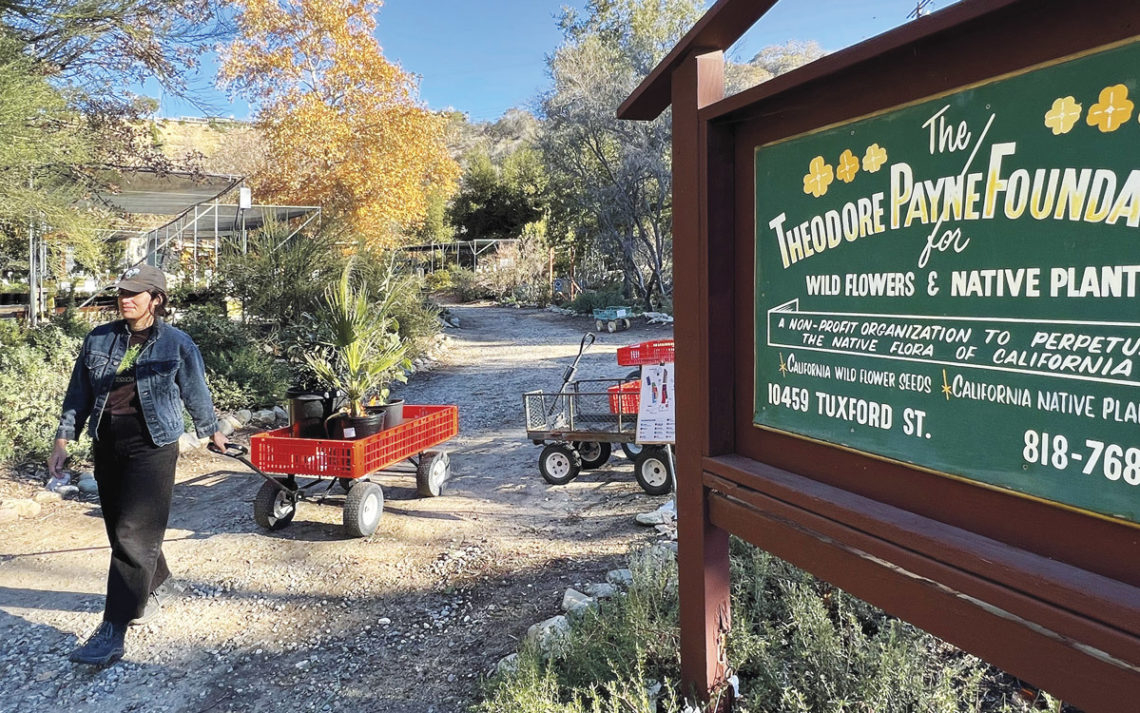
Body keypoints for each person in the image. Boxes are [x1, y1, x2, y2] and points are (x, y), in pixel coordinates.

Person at [47, 264, 228, 667]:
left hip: (154, 444)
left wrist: (211, 430)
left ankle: (113, 627)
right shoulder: (99, 338)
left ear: (156, 299)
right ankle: (156, 579)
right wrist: (63, 439)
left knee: (133, 530)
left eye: (136, 292)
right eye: (122, 292)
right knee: (121, 529)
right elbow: (78, 392)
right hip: (107, 440)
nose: (125, 299)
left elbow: (195, 389)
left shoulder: (177, 342)